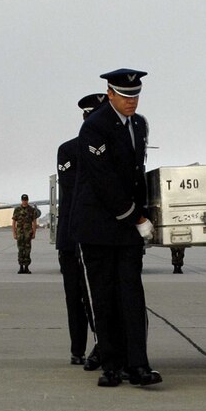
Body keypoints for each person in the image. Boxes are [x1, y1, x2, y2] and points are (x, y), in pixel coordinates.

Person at [72, 68, 161, 387]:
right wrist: (137, 218)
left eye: (135, 95)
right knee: (104, 296)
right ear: (110, 94)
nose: (131, 101)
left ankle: (137, 364)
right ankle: (111, 365)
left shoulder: (139, 124)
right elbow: (103, 180)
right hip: (99, 224)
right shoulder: (94, 126)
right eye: (125, 96)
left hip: (127, 225)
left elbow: (137, 173)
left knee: (132, 295)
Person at [56, 93, 106, 367]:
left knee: (97, 296)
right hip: (73, 235)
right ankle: (78, 347)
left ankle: (101, 345)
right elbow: (73, 189)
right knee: (75, 296)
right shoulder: (69, 149)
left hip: (100, 235)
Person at [12, 194, 38, 274]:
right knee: (20, 250)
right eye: (23, 200)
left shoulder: (31, 209)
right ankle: (21, 267)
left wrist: (34, 232)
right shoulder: (17, 209)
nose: (25, 201)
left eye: (26, 200)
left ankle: (26, 267)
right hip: (20, 233)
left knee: (27, 250)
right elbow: (14, 222)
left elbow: (34, 222)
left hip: (28, 233)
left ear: (28, 200)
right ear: (21, 200)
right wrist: (14, 233)